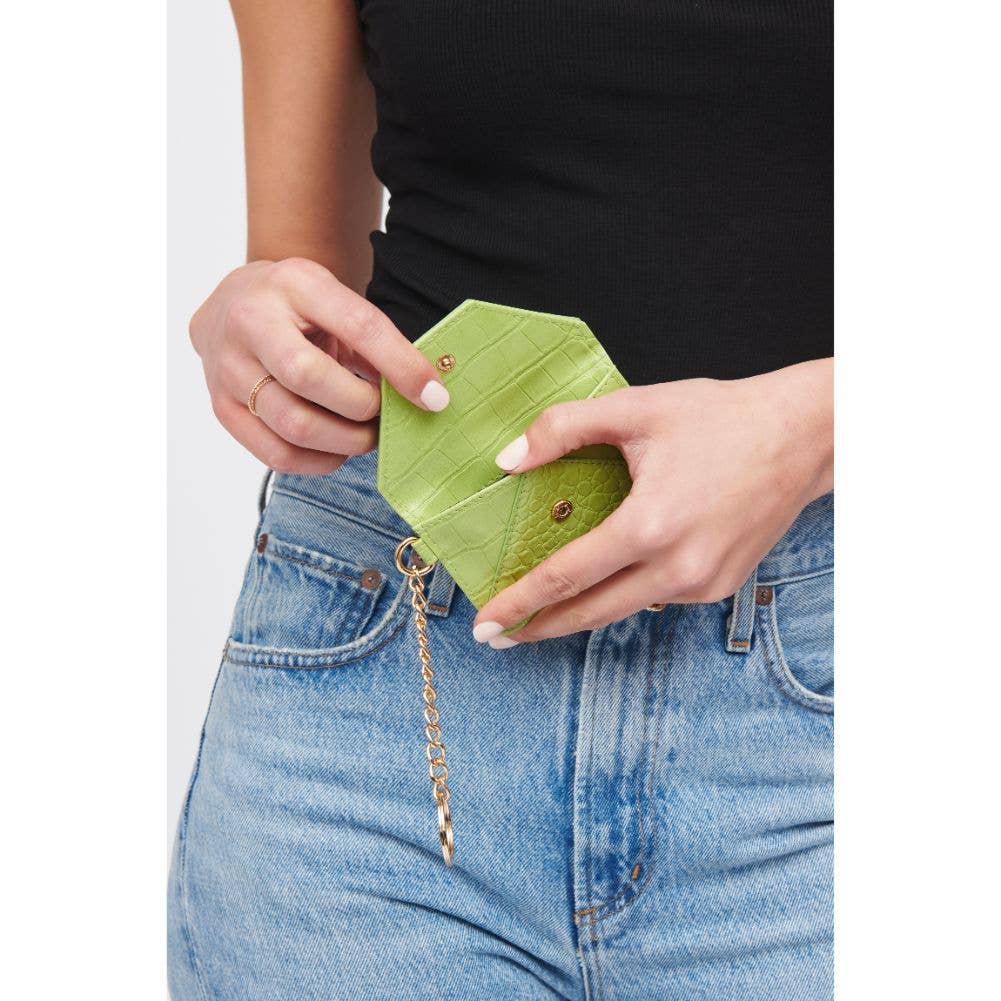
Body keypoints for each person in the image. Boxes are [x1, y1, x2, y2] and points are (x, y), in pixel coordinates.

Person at [169, 1, 833, 998]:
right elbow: (301, 273)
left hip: (816, 697)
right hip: (381, 681)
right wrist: (254, 318)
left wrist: (816, 423)